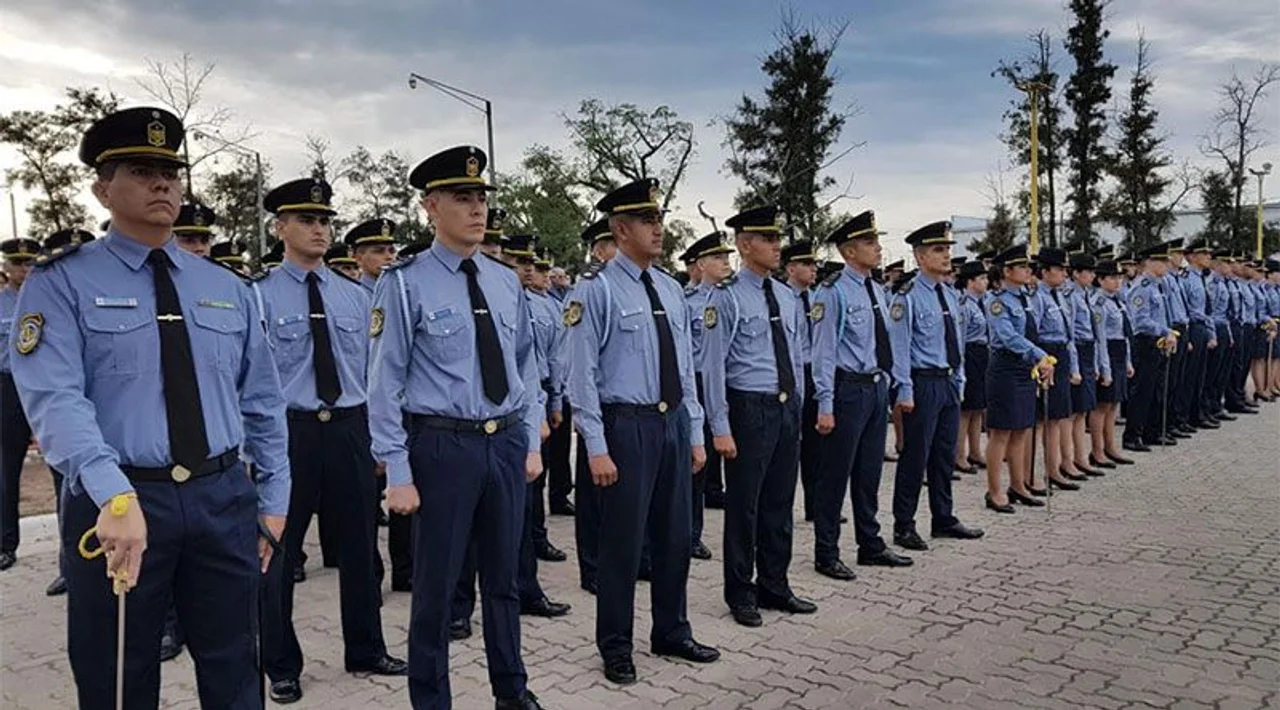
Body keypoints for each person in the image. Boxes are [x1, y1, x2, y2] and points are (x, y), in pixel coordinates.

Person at [12, 106, 290, 709]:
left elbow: (262, 401)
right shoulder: (61, 282)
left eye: (171, 171)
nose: (163, 183)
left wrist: (273, 500)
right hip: (120, 499)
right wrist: (112, 494)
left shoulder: (225, 288)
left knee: (236, 666)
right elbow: (55, 398)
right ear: (102, 187)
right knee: (119, 673)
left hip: (220, 498)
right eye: (142, 170)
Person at [369, 145, 545, 710]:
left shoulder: (504, 280)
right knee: (437, 590)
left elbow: (525, 364)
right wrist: (397, 468)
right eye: (462, 199)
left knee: (504, 580)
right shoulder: (404, 284)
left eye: (481, 198)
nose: (477, 209)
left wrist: (531, 432)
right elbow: (384, 382)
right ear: (430, 207)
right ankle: (431, 699)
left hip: (504, 440)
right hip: (442, 445)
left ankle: (511, 692)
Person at [255, 177, 406, 704]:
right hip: (288, 433)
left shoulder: (354, 296)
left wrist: (383, 442)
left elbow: (379, 373)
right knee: (277, 552)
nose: (319, 230)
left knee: (361, 547)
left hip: (348, 427)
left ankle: (366, 647)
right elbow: (247, 382)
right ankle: (280, 664)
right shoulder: (258, 295)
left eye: (324, 221)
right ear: (281, 229)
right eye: (306, 221)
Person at [565, 178, 720, 685]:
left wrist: (694, 431)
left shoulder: (672, 289)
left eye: (658, 220)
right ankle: (615, 644)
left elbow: (686, 368)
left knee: (675, 537)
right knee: (623, 545)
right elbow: (581, 375)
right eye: (647, 222)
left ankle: (671, 630)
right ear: (620, 229)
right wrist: (596, 446)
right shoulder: (597, 289)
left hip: (671, 421)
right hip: (626, 425)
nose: (658, 229)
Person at [701, 206, 815, 627]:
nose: (777, 245)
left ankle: (775, 584)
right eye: (767, 239)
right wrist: (720, 426)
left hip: (784, 407)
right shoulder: (726, 296)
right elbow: (713, 366)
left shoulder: (787, 296)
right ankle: (740, 591)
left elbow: (798, 356)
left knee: (780, 502)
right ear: (744, 245)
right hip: (748, 409)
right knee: (744, 507)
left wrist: (798, 405)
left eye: (778, 238)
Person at [810, 212, 914, 579]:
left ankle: (870, 544)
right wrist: (825, 403)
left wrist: (895, 383)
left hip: (875, 387)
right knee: (835, 475)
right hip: (847, 389)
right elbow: (822, 351)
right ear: (849, 251)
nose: (878, 248)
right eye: (870, 243)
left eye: (876, 241)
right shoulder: (833, 291)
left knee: (869, 472)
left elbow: (889, 343)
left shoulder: (877, 290)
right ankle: (826, 551)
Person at [887, 221, 984, 548]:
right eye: (938, 250)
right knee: (916, 456)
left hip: (946, 381)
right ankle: (904, 525)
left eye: (947, 249)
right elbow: (899, 347)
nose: (946, 255)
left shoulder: (948, 294)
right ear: (919, 256)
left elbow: (956, 341)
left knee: (944, 454)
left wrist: (959, 379)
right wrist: (904, 390)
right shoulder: (908, 297)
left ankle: (943, 517)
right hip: (922, 382)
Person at [342, 217, 412, 593]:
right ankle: (371, 574)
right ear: (357, 256)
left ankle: (406, 569)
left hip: (401, 410)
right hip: (361, 410)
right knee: (366, 503)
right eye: (377, 251)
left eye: (390, 249)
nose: (387, 256)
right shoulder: (353, 297)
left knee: (405, 496)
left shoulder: (401, 291)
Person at [982, 244, 1053, 513]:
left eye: (1028, 267)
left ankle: (1019, 484)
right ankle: (994, 491)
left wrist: (1041, 357)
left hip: (1025, 368)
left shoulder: (1027, 298)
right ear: (1007, 271)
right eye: (1022, 267)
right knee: (1001, 432)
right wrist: (1038, 353)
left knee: (1022, 429)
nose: (1027, 271)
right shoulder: (998, 301)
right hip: (1005, 369)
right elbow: (1007, 336)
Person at [681, 231, 734, 561]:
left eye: (727, 258)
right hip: (698, 382)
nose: (726, 263)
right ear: (701, 264)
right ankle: (690, 533)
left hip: (729, 383)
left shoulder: (733, 297)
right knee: (698, 463)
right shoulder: (688, 303)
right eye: (718, 258)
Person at [571, 216, 616, 594]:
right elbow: (579, 364)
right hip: (600, 407)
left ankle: (625, 562)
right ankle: (593, 568)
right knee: (593, 497)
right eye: (611, 244)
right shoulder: (589, 288)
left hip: (636, 412)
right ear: (600, 250)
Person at [0, 237, 42, 574]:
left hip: (46, 386)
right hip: (9, 387)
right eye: (18, 263)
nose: (24, 269)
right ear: (7, 267)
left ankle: (70, 562)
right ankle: (5, 544)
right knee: (6, 468)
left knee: (65, 471)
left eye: (30, 262)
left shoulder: (51, 298)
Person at [781, 240, 823, 523]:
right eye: (807, 264)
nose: (813, 269)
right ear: (791, 268)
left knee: (817, 446)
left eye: (814, 264)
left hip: (815, 372)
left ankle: (815, 505)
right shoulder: (781, 297)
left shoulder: (819, 297)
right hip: (791, 375)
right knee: (790, 444)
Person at [1122, 244, 1180, 451]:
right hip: (1145, 342)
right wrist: (1164, 331)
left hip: (1159, 343)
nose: (1166, 265)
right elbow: (1140, 321)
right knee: (1142, 390)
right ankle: (1133, 435)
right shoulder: (1143, 287)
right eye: (1162, 261)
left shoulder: (1158, 286)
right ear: (1150, 263)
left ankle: (1151, 431)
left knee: (1157, 389)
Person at [1064, 251, 1108, 475]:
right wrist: (1074, 366)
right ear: (1076, 273)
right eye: (1088, 272)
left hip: (1089, 351)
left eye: (1093, 272)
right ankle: (1070, 459)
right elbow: (1070, 333)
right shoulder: (1070, 296)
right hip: (1078, 351)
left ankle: (1081, 457)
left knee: (1084, 409)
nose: (1092, 276)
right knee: (1074, 411)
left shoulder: (1086, 295)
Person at [1090, 259, 1134, 467]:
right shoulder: (1098, 304)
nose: (1118, 282)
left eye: (1119, 278)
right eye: (1112, 278)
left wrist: (1128, 361)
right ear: (1100, 280)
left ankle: (1111, 447)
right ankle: (1097, 450)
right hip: (1106, 354)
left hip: (1118, 352)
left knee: (1114, 404)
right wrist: (1104, 369)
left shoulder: (1118, 302)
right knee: (1102, 405)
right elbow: (1101, 339)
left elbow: (1124, 335)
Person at [953, 260, 989, 475]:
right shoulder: (964, 305)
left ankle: (975, 451)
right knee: (966, 410)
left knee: (978, 407)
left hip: (982, 354)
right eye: (982, 279)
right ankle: (959, 455)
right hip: (970, 354)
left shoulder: (981, 302)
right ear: (970, 281)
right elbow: (961, 338)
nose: (986, 282)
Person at [1179, 239, 1217, 431]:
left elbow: (1207, 310)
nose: (1209, 257)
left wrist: (1211, 333)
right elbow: (1185, 309)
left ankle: (1196, 413)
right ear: (1193, 256)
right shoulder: (1186, 278)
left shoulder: (1202, 278)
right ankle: (1184, 416)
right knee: (1189, 375)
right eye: (1205, 253)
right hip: (1192, 327)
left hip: (1202, 327)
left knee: (1199, 376)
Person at [346, 217, 398, 294]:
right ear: (359, 259)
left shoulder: (402, 291)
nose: (389, 257)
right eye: (379, 251)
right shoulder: (353, 295)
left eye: (391, 251)